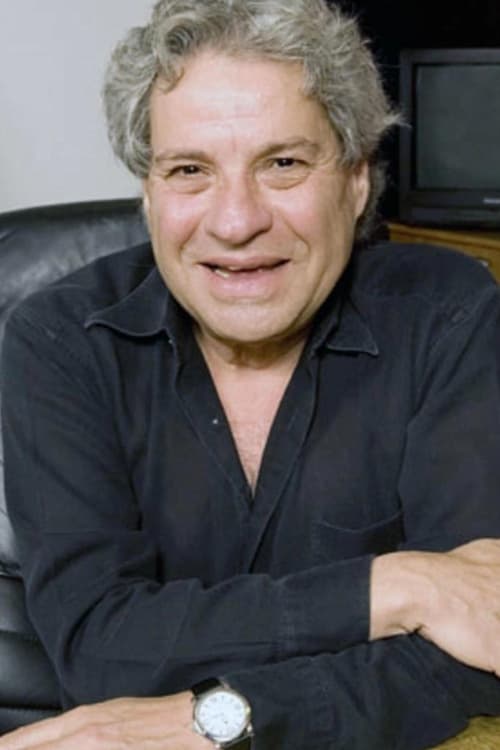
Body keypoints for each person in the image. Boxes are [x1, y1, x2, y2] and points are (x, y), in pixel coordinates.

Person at [1, 0, 500, 748]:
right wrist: (397, 587)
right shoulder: (59, 338)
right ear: (149, 192)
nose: (236, 223)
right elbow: (99, 648)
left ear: (357, 181)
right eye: (189, 170)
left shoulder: (449, 315)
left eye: (283, 163)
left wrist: (208, 722)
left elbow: (480, 644)